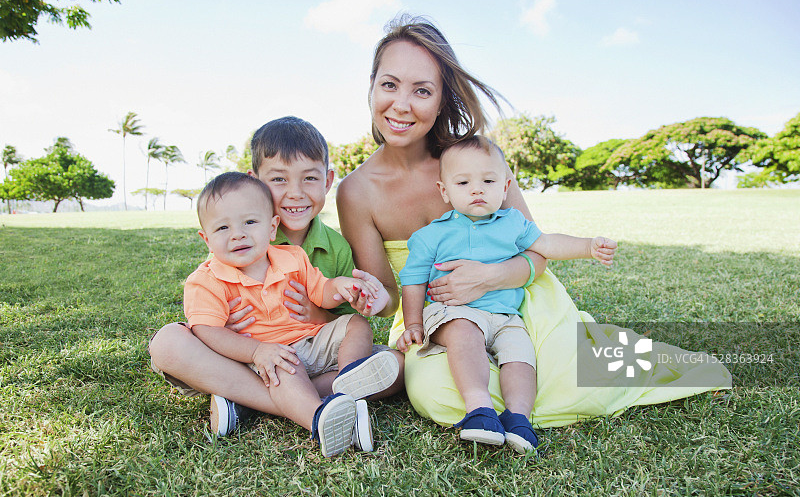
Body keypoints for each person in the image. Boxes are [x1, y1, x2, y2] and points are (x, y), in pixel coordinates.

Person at [337, 14, 730, 437]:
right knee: (437, 395)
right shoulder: (355, 192)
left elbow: (536, 252)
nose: (401, 104)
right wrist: (374, 297)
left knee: (573, 376)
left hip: (518, 299)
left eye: (422, 90)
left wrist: (490, 277)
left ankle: (532, 403)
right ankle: (486, 407)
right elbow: (392, 296)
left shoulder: (478, 165)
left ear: (441, 99)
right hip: (435, 319)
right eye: (389, 84)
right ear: (372, 85)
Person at [148, 117, 403, 449]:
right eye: (279, 179)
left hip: (310, 348)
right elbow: (206, 328)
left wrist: (337, 292)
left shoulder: (298, 255)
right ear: (255, 182)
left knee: (396, 366)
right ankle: (319, 409)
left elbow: (333, 306)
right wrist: (244, 342)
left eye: (309, 178)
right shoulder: (221, 265)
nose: (294, 193)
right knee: (168, 342)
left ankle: (259, 401)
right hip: (248, 358)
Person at [396, 135, 617, 452]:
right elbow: (413, 280)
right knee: (464, 332)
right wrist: (413, 324)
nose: (477, 189)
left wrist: (587, 247)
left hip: (505, 316)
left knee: (520, 353)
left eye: (488, 180)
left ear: (505, 187)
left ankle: (518, 419)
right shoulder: (432, 235)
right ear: (444, 190)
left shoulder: (513, 223)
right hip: (452, 312)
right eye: (463, 182)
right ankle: (480, 409)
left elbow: (548, 244)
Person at [184, 171, 393, 457]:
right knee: (282, 370)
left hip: (312, 340)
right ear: (206, 239)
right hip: (267, 356)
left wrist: (341, 286)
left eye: (250, 222)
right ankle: (320, 418)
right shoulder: (206, 281)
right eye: (222, 228)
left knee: (358, 326)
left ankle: (348, 380)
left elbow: (321, 291)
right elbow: (207, 331)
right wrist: (258, 351)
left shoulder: (292, 256)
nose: (238, 234)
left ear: (272, 228)